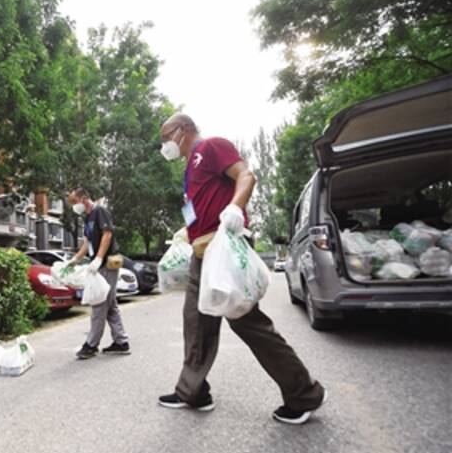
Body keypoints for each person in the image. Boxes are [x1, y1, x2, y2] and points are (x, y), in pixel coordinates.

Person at [157, 113, 326, 424]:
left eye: (166, 136)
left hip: (223, 250)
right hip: (201, 254)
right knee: (195, 323)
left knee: (246, 321)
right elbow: (197, 210)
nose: (164, 144)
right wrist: (186, 231)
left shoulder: (210, 147)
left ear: (182, 131)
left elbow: (246, 175)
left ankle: (303, 394)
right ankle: (192, 391)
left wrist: (236, 207)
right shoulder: (189, 170)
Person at [67, 187, 130, 360]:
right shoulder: (87, 218)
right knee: (110, 305)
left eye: (74, 202)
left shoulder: (99, 211)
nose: (73, 206)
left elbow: (107, 234)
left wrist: (98, 258)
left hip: (106, 265)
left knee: (99, 304)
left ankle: (91, 345)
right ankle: (121, 341)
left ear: (84, 198)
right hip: (99, 266)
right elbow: (87, 242)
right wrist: (75, 259)